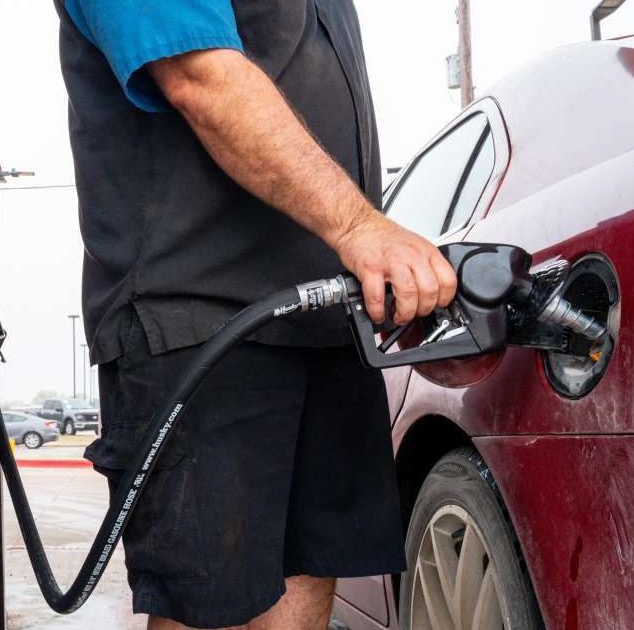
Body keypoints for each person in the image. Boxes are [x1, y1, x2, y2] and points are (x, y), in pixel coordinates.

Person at [54, 1, 458, 628]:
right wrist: (360, 228)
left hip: (326, 311)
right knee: (211, 604)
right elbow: (199, 75)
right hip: (201, 317)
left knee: (308, 570)